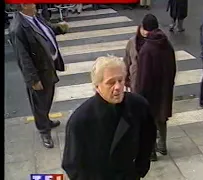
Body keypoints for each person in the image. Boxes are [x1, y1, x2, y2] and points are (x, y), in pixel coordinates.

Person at [62, 56, 157, 180]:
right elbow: (72, 165)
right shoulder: (80, 120)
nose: (117, 87)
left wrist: (139, 170)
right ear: (97, 86)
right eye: (111, 82)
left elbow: (148, 138)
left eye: (120, 80)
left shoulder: (139, 105)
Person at [9, 4, 68, 148]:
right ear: (23, 5)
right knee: (39, 103)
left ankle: (46, 120)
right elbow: (23, 58)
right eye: (31, 2)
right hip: (38, 72)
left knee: (47, 98)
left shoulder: (35, 16)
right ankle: (44, 131)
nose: (35, 4)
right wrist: (33, 80)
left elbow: (45, 31)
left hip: (48, 66)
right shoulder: (18, 28)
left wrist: (59, 28)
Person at [135, 14, 176, 161]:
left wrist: (139, 95)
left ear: (145, 29)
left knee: (149, 123)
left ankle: (151, 152)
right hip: (164, 89)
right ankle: (163, 145)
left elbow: (143, 76)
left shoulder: (147, 49)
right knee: (161, 118)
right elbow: (173, 67)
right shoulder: (166, 44)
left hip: (150, 93)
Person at [124, 25, 146, 93]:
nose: (145, 32)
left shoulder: (153, 43)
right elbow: (127, 60)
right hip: (135, 78)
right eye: (143, 28)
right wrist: (125, 77)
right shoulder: (132, 42)